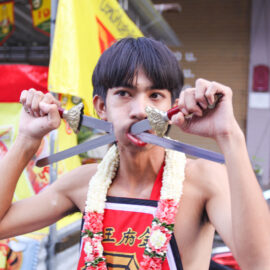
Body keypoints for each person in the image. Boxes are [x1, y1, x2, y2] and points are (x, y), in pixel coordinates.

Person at [0, 37, 269, 270]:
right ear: (101, 107)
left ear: (173, 109)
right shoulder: (84, 183)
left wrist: (229, 136)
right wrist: (26, 140)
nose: (140, 110)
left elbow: (260, 263)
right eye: (124, 93)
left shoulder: (204, 181)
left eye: (154, 95)